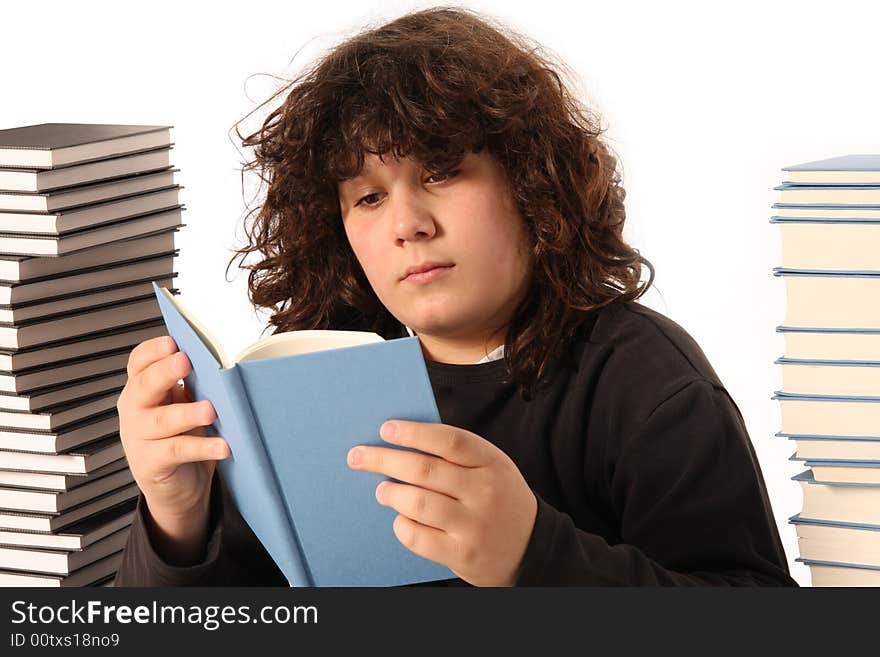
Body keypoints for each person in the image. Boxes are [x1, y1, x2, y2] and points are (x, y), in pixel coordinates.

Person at [114, 7, 797, 586]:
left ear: (532, 183)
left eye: (440, 173)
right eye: (369, 196)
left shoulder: (645, 384)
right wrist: (176, 518)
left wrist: (533, 555)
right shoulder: (312, 388)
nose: (408, 225)